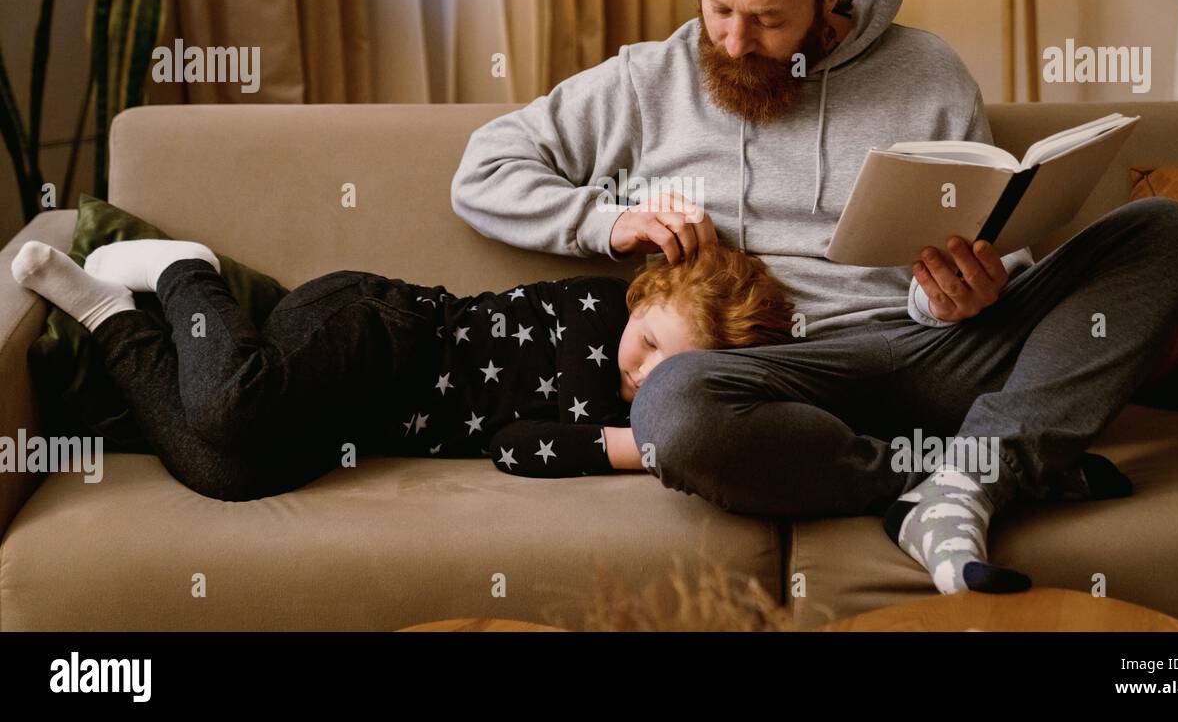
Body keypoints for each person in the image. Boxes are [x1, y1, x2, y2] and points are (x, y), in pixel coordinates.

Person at [450, 0, 1178, 595]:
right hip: (765, 389)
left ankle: (968, 476)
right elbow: (482, 170)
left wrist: (962, 294)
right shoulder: (651, 80)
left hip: (928, 352)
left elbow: (992, 242)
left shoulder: (928, 72)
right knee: (671, 409)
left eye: (767, 18)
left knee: (1169, 234)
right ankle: (967, 475)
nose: (732, 41)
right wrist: (611, 220)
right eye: (716, 6)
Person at [10, 232, 795, 502]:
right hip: (376, 327)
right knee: (227, 410)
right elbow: (536, 431)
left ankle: (109, 314)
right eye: (651, 342)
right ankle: (187, 271)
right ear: (646, 293)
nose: (644, 375)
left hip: (356, 416)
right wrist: (649, 439)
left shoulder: (638, 412)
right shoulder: (599, 309)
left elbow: (516, 444)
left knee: (227, 472)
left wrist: (646, 433)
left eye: (672, 378)